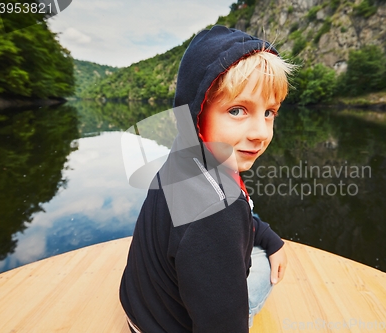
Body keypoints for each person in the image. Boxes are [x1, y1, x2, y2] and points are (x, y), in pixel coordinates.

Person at [119, 25, 295, 333]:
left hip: (140, 311)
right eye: (238, 110)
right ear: (198, 111)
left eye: (269, 112)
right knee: (262, 269)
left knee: (257, 247)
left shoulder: (184, 153)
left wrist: (268, 237)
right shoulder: (218, 210)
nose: (260, 134)